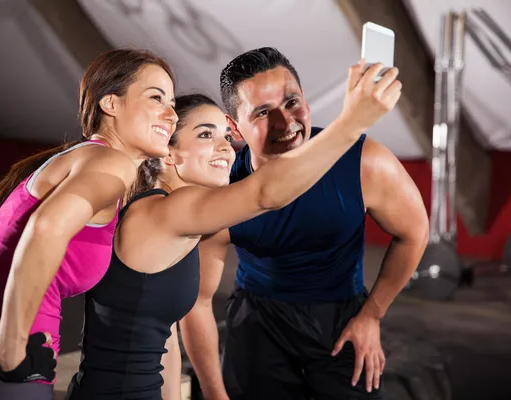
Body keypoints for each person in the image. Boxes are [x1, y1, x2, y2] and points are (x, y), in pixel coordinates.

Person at [65, 59, 401, 400]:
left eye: (225, 136)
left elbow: (163, 343)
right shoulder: (169, 211)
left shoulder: (176, 215)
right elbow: (266, 193)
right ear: (169, 154)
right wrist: (352, 121)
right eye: (205, 135)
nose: (226, 148)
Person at [180, 47, 429, 400]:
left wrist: (372, 315)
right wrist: (214, 393)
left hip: (341, 319)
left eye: (291, 102)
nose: (286, 123)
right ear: (234, 127)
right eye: (263, 112)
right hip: (256, 321)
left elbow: (414, 231)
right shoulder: (220, 188)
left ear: (307, 101)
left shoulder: (364, 161)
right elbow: (199, 303)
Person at [0, 48, 179, 399]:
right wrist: (11, 354)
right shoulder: (110, 163)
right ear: (111, 104)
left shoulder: (88, 160)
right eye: (157, 98)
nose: (172, 115)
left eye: (172, 102)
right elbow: (46, 229)